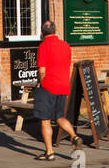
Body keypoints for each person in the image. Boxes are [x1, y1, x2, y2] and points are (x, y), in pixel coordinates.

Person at [34, 20, 81, 160]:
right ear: (55, 31)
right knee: (60, 117)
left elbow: (42, 71)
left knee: (45, 120)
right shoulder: (66, 45)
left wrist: (41, 84)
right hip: (63, 86)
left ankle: (49, 152)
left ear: (42, 33)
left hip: (49, 86)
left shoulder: (43, 46)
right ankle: (75, 136)